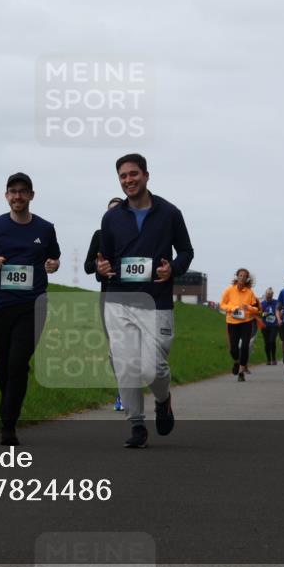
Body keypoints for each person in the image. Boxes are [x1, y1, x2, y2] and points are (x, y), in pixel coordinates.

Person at [96, 154, 193, 448]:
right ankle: (136, 425)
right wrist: (102, 269)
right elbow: (104, 260)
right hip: (119, 300)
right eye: (123, 176)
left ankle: (163, 400)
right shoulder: (111, 218)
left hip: (156, 302)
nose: (128, 180)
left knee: (153, 369)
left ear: (146, 175)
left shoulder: (170, 213)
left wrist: (172, 269)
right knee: (125, 364)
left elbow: (186, 252)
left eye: (133, 174)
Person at [0, 173, 61, 444]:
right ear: (6, 195)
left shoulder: (45, 229)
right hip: (2, 305)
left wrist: (52, 266)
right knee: (3, 363)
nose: (18, 196)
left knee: (18, 362)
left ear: (32, 195)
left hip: (33, 305)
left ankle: (8, 424)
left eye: (23, 191)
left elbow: (54, 259)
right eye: (13, 191)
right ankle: (8, 403)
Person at [84, 197, 125, 410]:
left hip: (134, 297)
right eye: (110, 211)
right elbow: (87, 266)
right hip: (108, 297)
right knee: (115, 350)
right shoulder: (99, 236)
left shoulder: (136, 235)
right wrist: (99, 266)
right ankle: (122, 392)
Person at [219, 268, 260, 381]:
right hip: (232, 322)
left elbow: (257, 309)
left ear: (247, 279)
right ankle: (236, 362)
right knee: (233, 349)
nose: (242, 278)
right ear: (236, 277)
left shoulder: (250, 292)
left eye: (244, 276)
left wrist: (249, 308)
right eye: (240, 275)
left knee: (245, 346)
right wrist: (232, 308)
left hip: (246, 322)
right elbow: (222, 305)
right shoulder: (229, 291)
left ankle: (241, 372)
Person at [260, 287, 279, 364]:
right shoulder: (262, 304)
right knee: (267, 342)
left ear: (272, 295)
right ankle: (268, 359)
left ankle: (274, 358)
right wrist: (265, 314)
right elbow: (259, 314)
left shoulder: (276, 302)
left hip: (274, 325)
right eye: (267, 294)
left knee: (272, 341)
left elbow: (280, 311)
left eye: (270, 295)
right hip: (265, 326)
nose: (269, 296)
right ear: (265, 295)